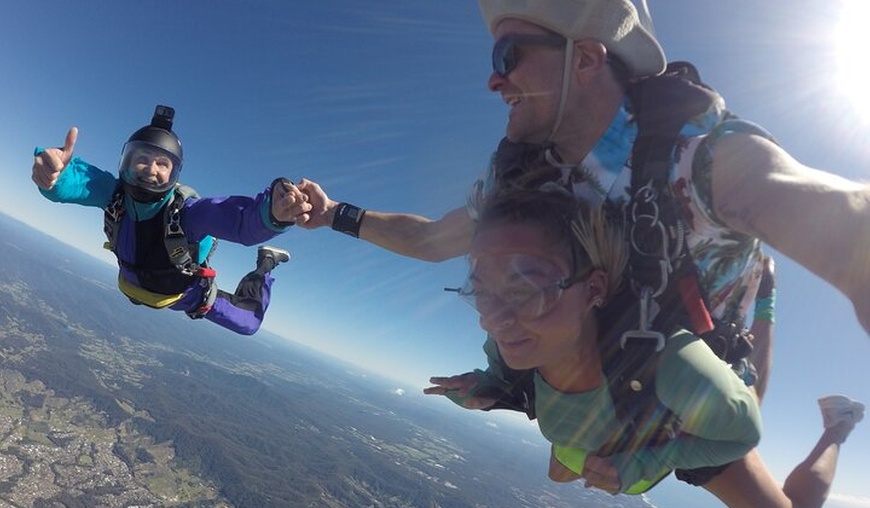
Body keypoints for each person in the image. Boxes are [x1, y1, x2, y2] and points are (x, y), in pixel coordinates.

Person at [294, 0, 869, 337]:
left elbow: (836, 215)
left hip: (699, 387)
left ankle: (765, 290)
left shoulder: (702, 156)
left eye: (507, 56)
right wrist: (333, 215)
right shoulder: (523, 177)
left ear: (587, 59)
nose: (493, 80)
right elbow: (429, 240)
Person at [424, 187, 864, 508]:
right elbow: (508, 374)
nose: (492, 320)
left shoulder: (673, 367)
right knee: (559, 472)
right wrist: (489, 385)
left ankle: (839, 424)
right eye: (481, 291)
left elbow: (744, 434)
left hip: (680, 424)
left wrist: (656, 458)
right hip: (618, 420)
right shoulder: (516, 341)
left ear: (593, 289)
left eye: (525, 289)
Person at [31, 105, 312, 336]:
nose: (151, 169)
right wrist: (55, 176)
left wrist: (271, 214)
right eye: (142, 159)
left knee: (248, 323)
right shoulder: (114, 195)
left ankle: (266, 264)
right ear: (126, 163)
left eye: (163, 164)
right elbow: (81, 182)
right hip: (136, 285)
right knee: (140, 291)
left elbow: (238, 220)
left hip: (185, 296)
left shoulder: (187, 215)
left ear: (174, 173)